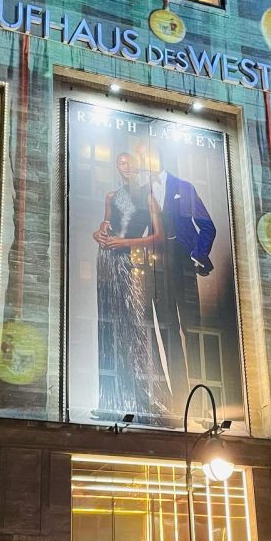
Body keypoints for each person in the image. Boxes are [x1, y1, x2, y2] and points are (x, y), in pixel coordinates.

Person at [92, 153, 168, 421]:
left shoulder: (147, 196)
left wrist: (123, 244)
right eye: (121, 163)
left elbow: (158, 236)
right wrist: (99, 234)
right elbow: (105, 225)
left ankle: (144, 400)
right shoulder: (111, 196)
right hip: (107, 261)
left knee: (135, 326)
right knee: (110, 324)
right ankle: (111, 398)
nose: (126, 167)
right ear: (117, 167)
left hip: (131, 261)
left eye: (129, 162)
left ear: (136, 166)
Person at [150, 145, 217, 418]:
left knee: (192, 330)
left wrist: (196, 254)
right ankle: (179, 406)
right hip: (155, 269)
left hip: (182, 264)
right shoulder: (143, 190)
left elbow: (208, 226)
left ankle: (203, 407)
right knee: (167, 333)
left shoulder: (183, 187)